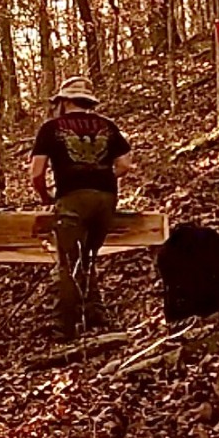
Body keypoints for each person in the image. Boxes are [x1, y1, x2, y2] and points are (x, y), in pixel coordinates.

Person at [29, 77, 135, 340]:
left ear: (64, 102)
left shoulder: (51, 128)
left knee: (68, 263)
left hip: (72, 198)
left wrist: (45, 195)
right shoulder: (109, 127)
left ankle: (64, 326)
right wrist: (101, 178)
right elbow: (124, 165)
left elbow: (36, 172)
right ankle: (95, 311)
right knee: (87, 256)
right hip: (106, 199)